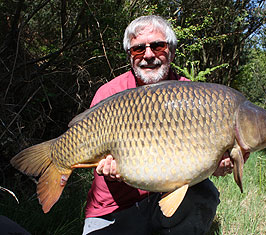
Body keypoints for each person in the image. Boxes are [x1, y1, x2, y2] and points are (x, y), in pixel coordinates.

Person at [82, 15, 236, 235]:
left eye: (157, 46)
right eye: (138, 49)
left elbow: (198, 157)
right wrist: (106, 168)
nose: (148, 55)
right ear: (130, 56)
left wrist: (217, 165)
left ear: (171, 51)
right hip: (113, 209)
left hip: (163, 199)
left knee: (205, 193)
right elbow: (94, 159)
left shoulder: (193, 95)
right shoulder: (109, 94)